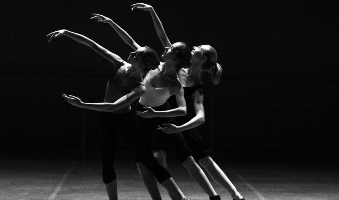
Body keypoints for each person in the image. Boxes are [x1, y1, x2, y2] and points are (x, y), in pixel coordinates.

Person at [47, 14, 189, 200]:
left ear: (143, 64)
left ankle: (179, 197)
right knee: (107, 160)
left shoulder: (139, 87)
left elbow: (114, 107)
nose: (131, 53)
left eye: (136, 55)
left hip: (124, 119)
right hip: (107, 120)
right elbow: (93, 45)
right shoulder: (118, 62)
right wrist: (67, 32)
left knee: (146, 157)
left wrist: (82, 104)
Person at [132, 3, 245, 200]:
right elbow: (162, 36)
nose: (194, 47)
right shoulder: (178, 69)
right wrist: (152, 11)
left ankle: (231, 195)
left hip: (180, 122)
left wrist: (180, 128)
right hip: (163, 115)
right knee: (158, 158)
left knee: (202, 159)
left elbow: (200, 117)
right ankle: (177, 196)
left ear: (204, 58)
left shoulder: (196, 86)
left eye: (198, 48)